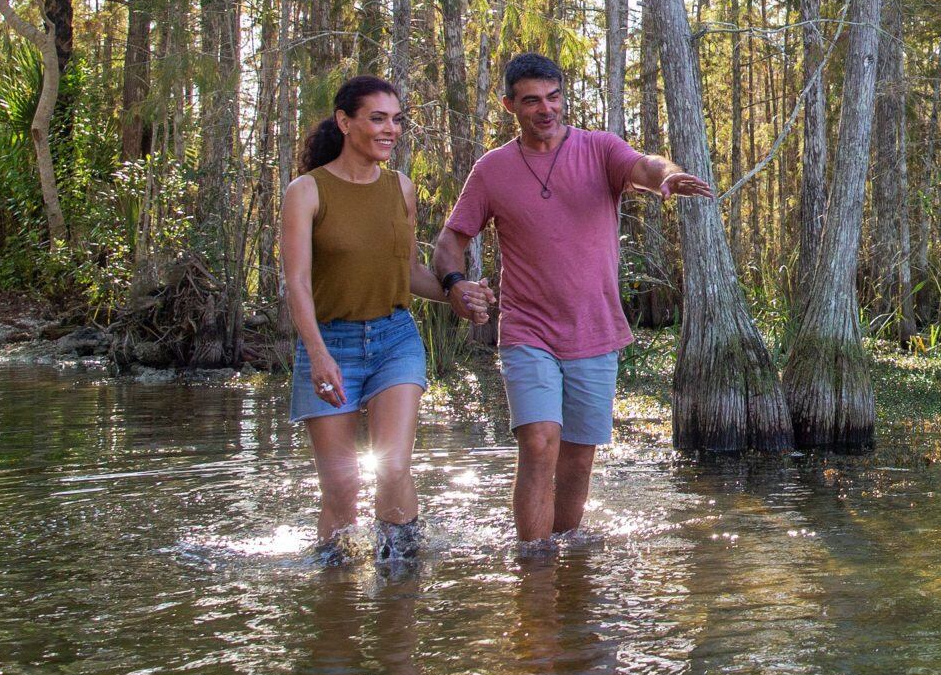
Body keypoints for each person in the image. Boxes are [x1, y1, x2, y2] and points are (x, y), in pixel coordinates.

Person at [433, 52, 713, 544]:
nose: (546, 109)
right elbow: (449, 241)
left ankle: (563, 557)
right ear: (509, 106)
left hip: (595, 329)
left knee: (579, 458)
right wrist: (456, 285)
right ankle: (534, 566)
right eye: (532, 101)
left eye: (554, 97)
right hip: (526, 330)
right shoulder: (492, 170)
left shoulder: (600, 149)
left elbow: (644, 165)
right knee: (540, 444)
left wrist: (666, 176)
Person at [280, 76, 491, 565]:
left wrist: (455, 293)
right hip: (330, 343)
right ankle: (336, 589)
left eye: (396, 119)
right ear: (345, 122)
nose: (390, 129)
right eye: (377, 118)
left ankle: (400, 579)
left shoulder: (402, 188)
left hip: (396, 338)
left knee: (393, 465)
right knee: (342, 484)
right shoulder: (307, 191)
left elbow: (408, 271)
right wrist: (317, 354)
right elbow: (297, 283)